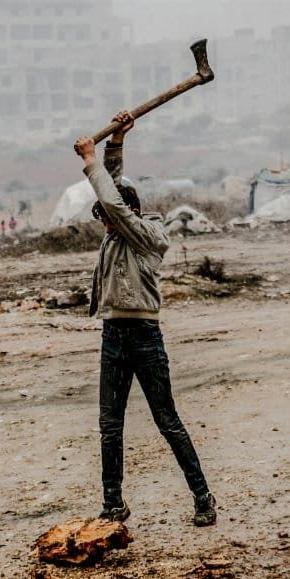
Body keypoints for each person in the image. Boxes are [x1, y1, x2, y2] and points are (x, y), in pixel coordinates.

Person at [73, 111, 217, 527]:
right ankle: (112, 505)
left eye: (108, 216)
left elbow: (115, 201)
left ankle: (203, 497)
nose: (104, 222)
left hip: (144, 337)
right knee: (109, 427)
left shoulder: (149, 236)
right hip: (113, 336)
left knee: (166, 420)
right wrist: (116, 143)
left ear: (125, 213)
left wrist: (90, 160)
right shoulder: (117, 231)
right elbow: (113, 193)